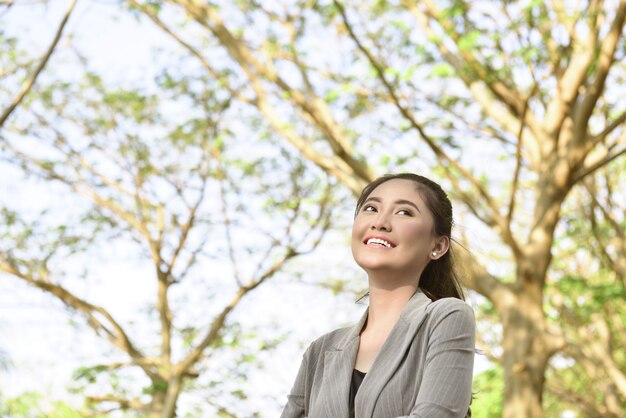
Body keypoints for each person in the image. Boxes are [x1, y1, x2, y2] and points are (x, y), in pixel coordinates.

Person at [281, 173, 475, 418]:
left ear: (437, 246)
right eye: (371, 208)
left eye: (404, 212)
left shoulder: (447, 317)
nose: (380, 222)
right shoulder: (320, 352)